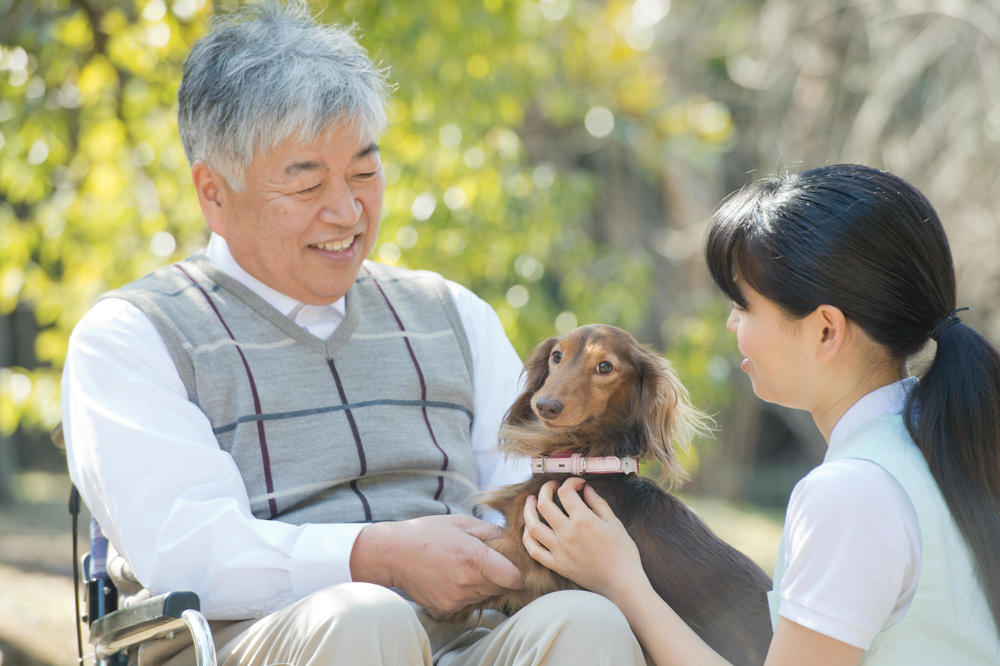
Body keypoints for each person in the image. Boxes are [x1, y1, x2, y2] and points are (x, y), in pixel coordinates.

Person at [61, 2, 646, 664]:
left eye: (365, 171)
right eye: (306, 183)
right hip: (263, 640)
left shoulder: (452, 314)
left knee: (586, 621)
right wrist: (375, 556)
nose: (347, 211)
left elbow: (527, 498)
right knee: (365, 619)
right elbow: (185, 549)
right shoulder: (134, 335)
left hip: (466, 634)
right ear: (213, 194)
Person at [523, 163, 1000, 665]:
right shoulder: (947, 445)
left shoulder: (852, 494)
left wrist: (622, 583)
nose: (731, 324)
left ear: (825, 331)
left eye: (743, 306)